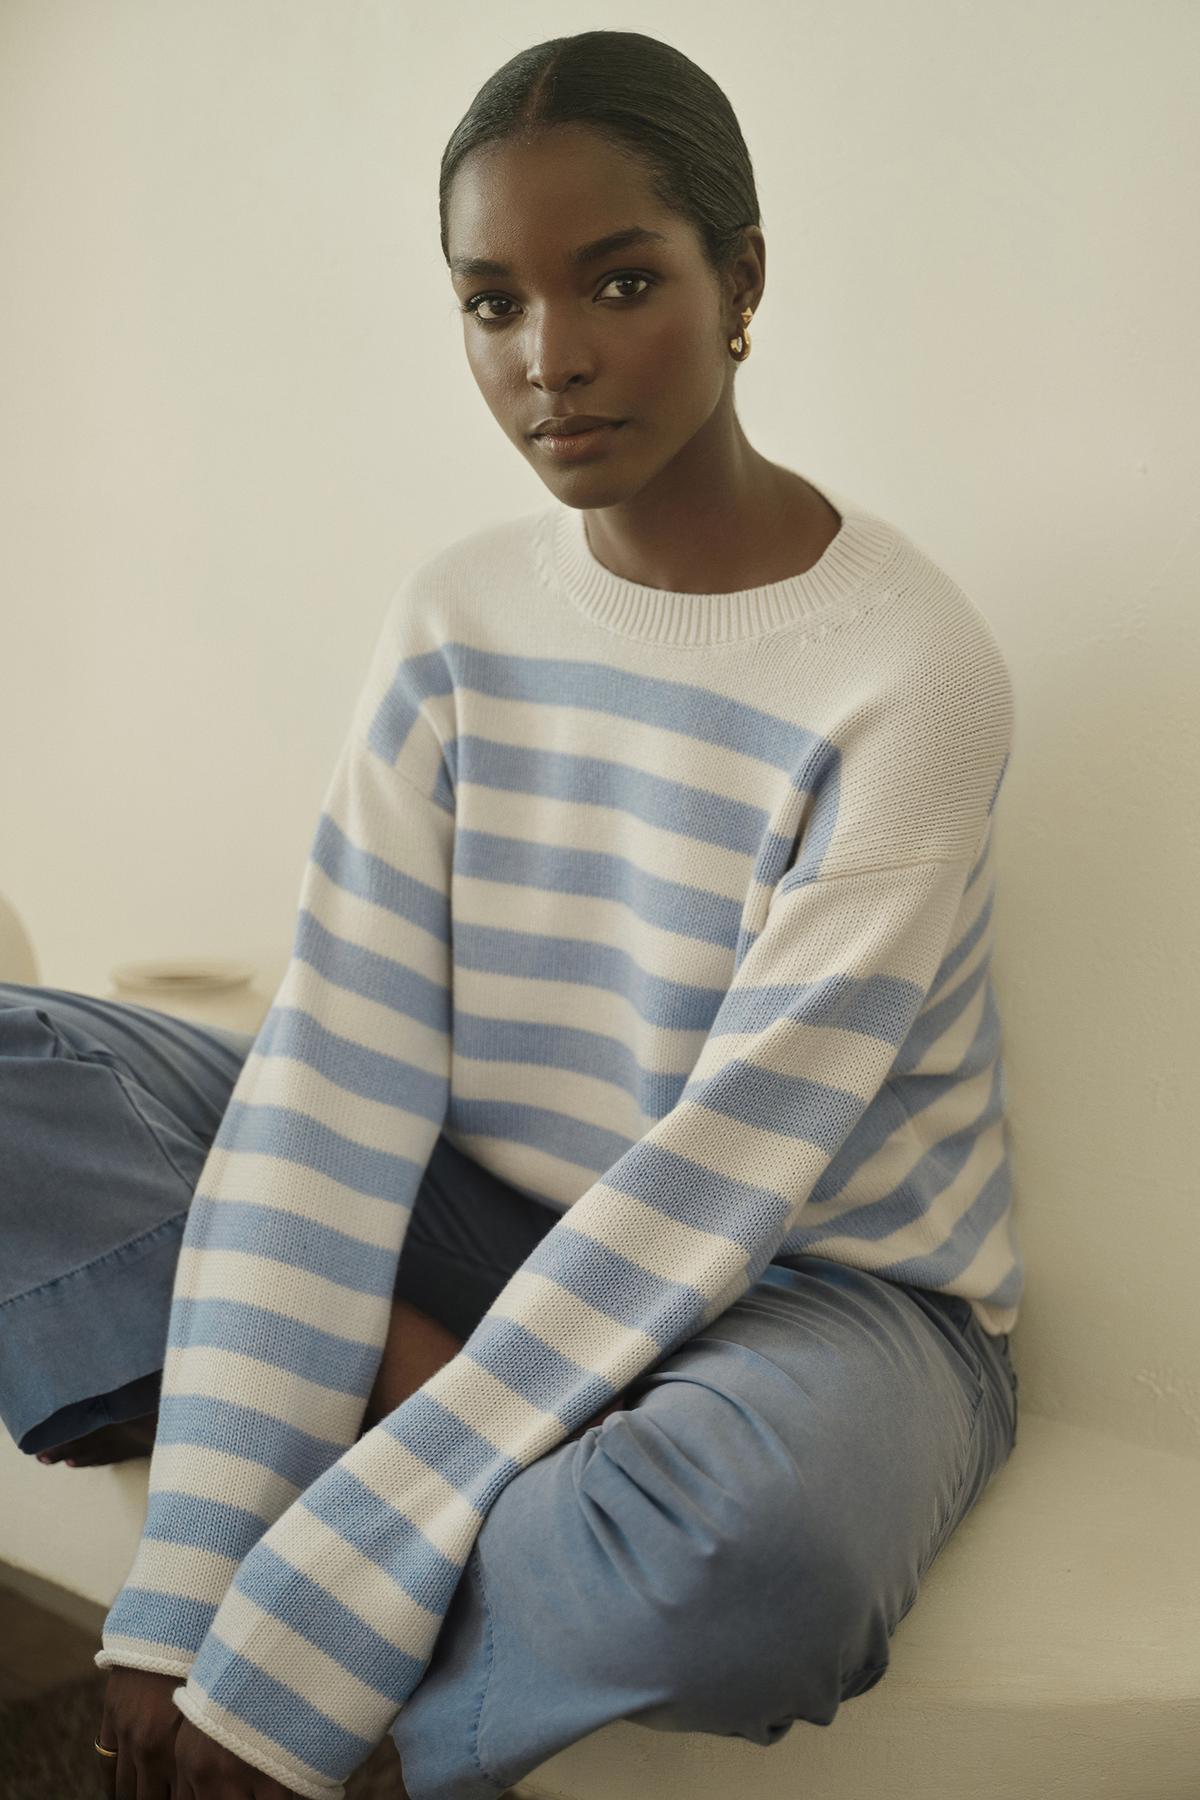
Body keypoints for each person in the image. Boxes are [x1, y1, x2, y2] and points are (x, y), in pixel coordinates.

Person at [3, 28, 1022, 1800]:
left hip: (816, 1295)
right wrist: (175, 1605)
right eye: (491, 303)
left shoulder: (906, 670)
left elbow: (725, 1171)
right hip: (479, 1225)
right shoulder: (458, 616)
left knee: (753, 1560)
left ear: (744, 279)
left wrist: (303, 1608)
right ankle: (438, 1399)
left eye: (619, 281)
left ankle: (391, 1680)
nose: (550, 360)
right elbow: (336, 1082)